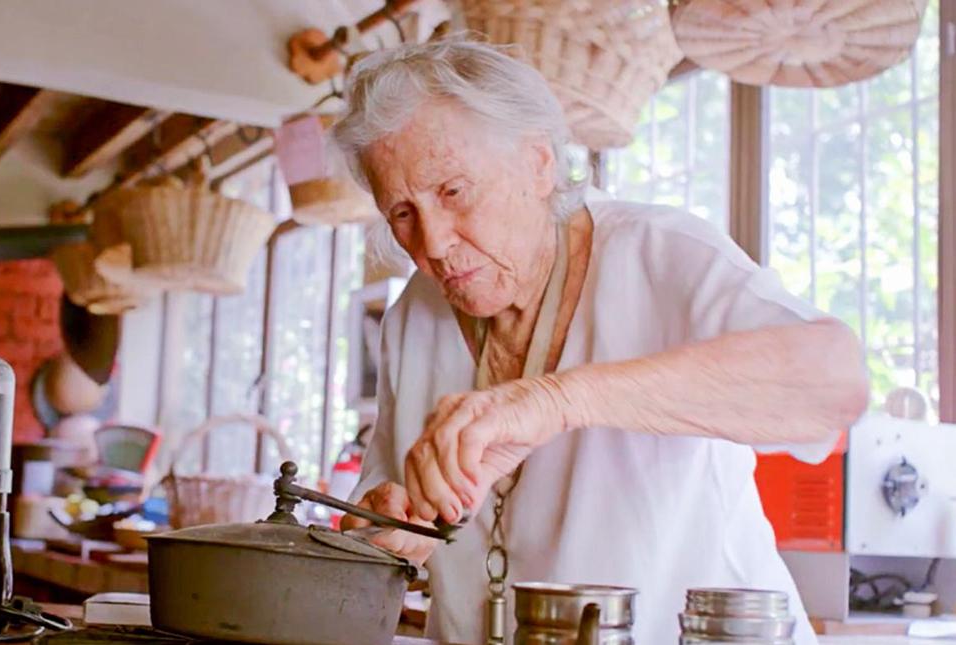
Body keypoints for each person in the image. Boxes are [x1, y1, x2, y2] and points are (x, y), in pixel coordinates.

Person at [333, 39, 869, 644]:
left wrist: (556, 400)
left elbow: (835, 384)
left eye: (454, 191)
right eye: (401, 213)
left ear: (539, 162)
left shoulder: (658, 252)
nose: (431, 243)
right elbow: (377, 516)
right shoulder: (413, 316)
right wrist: (386, 529)